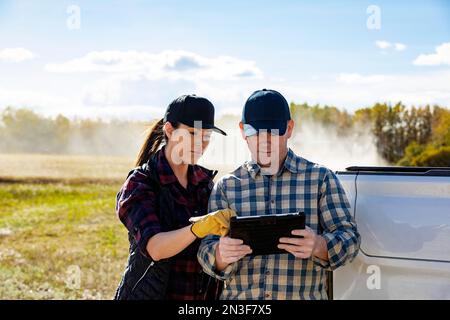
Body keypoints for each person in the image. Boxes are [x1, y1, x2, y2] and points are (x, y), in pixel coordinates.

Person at [197, 89, 361, 300]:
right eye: (255, 132)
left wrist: (318, 245)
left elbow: (351, 240)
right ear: (242, 130)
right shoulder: (226, 187)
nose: (264, 141)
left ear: (289, 128)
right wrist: (220, 254)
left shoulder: (321, 179)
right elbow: (205, 251)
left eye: (273, 132)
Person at [114, 94, 229, 300]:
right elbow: (156, 248)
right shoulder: (141, 183)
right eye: (192, 133)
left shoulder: (205, 184)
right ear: (169, 129)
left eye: (206, 136)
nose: (200, 143)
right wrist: (197, 228)